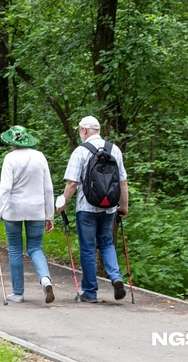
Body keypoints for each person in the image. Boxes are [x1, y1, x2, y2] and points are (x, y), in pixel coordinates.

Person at [56, 116, 129, 303]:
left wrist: (63, 202)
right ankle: (116, 277)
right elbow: (123, 181)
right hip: (109, 208)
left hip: (86, 207)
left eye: (80, 130)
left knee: (88, 248)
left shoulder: (81, 151)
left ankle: (90, 292)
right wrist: (123, 206)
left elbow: (72, 182)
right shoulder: (115, 150)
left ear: (84, 130)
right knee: (107, 243)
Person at [0, 125, 55, 304]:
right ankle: (45, 280)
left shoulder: (10, 158)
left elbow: (5, 188)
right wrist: (50, 215)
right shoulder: (39, 157)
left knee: (15, 249)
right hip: (36, 210)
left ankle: (18, 293)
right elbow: (48, 188)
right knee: (35, 248)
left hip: (14, 211)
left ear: (12, 142)